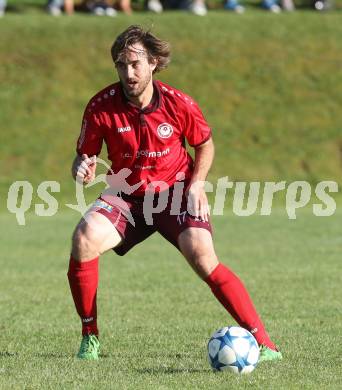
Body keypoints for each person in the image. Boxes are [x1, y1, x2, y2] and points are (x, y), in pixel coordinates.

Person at [68, 25, 283, 363]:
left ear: (153, 63)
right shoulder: (100, 106)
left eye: (136, 63)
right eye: (121, 65)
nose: (129, 73)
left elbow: (205, 144)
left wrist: (197, 183)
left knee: (202, 256)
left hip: (175, 193)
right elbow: (84, 157)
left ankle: (266, 345)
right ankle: (89, 338)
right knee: (84, 238)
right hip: (128, 197)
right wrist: (83, 167)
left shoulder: (178, 103)